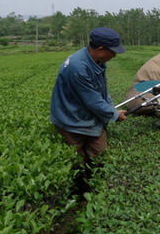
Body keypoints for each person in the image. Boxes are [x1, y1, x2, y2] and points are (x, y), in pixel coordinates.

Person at [50, 27, 127, 166]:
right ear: (101, 49)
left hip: (87, 116)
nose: (114, 55)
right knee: (77, 162)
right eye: (113, 51)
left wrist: (111, 109)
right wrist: (114, 115)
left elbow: (102, 90)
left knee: (99, 157)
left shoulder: (96, 60)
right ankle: (82, 179)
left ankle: (92, 178)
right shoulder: (78, 67)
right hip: (71, 119)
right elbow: (93, 101)